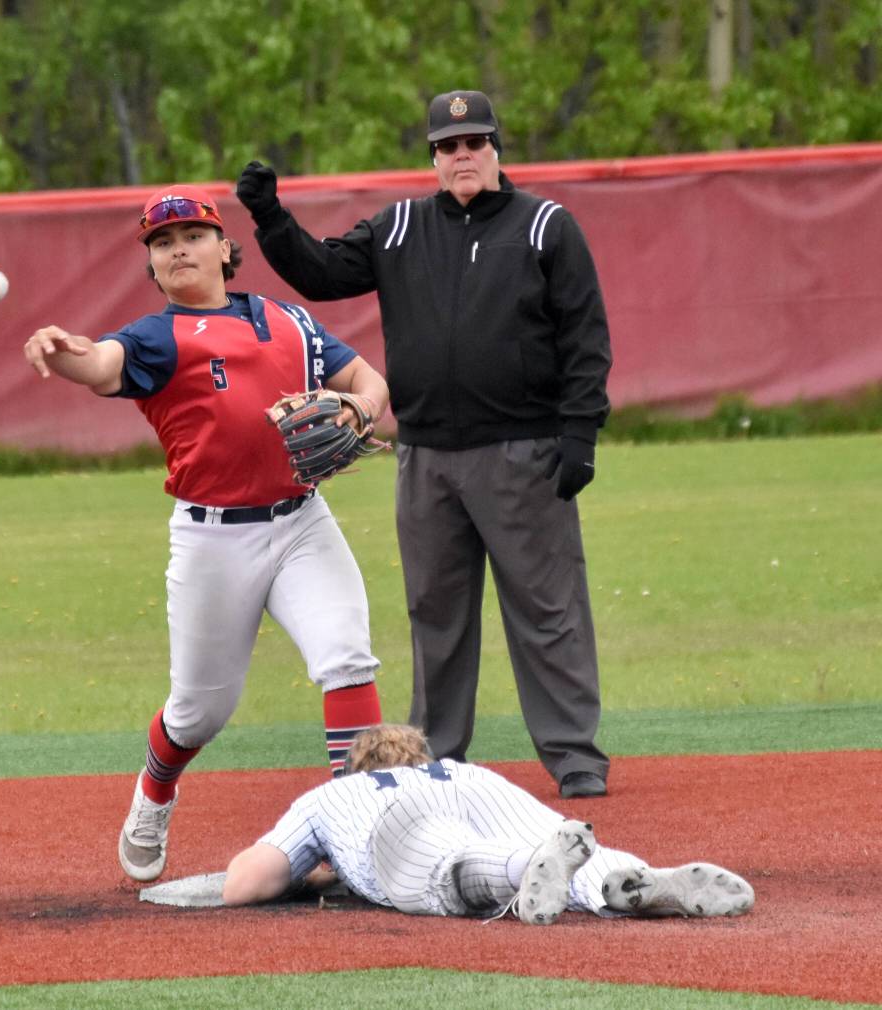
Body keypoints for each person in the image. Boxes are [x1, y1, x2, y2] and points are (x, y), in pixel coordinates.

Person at [236, 90, 613, 799]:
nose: (462, 155)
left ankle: (574, 756)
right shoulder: (400, 227)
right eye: (448, 145)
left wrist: (579, 433)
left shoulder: (546, 229)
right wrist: (269, 218)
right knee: (435, 611)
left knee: (548, 609)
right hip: (426, 459)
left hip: (522, 452)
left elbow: (585, 339)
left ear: (497, 147)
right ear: (433, 158)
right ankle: (438, 753)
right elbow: (321, 273)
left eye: (474, 142)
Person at [23, 185, 389, 883]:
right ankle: (156, 790)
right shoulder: (155, 337)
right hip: (213, 539)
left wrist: (360, 407)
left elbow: (365, 377)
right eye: (161, 244)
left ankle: (357, 828)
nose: (178, 248)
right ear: (152, 269)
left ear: (226, 249)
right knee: (198, 711)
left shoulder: (288, 320)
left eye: (192, 235)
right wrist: (63, 351)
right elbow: (100, 364)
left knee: (346, 658)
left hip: (302, 521)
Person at [222, 724, 755, 923]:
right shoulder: (459, 768)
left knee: (450, 867)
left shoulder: (336, 793)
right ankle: (631, 878)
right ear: (420, 754)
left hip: (396, 826)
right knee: (569, 844)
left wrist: (320, 871)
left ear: (357, 767)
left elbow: (244, 886)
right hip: (478, 793)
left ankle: (526, 871)